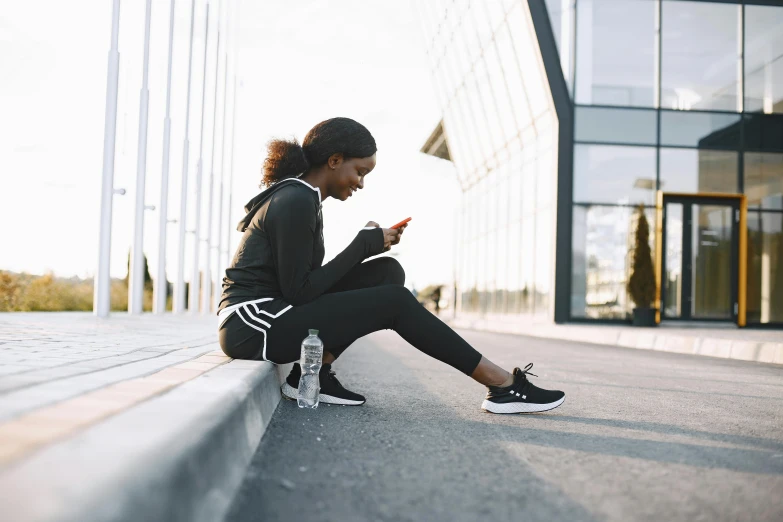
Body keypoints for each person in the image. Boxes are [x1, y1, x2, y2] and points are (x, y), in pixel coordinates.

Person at [217, 117, 565, 414]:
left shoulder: (304, 198)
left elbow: (304, 286)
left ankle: (313, 376)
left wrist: (367, 249)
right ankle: (502, 384)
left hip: (273, 315)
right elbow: (299, 290)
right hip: (252, 326)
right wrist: (361, 245)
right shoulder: (295, 200)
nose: (360, 183)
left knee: (387, 273)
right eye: (360, 171)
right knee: (395, 301)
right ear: (335, 160)